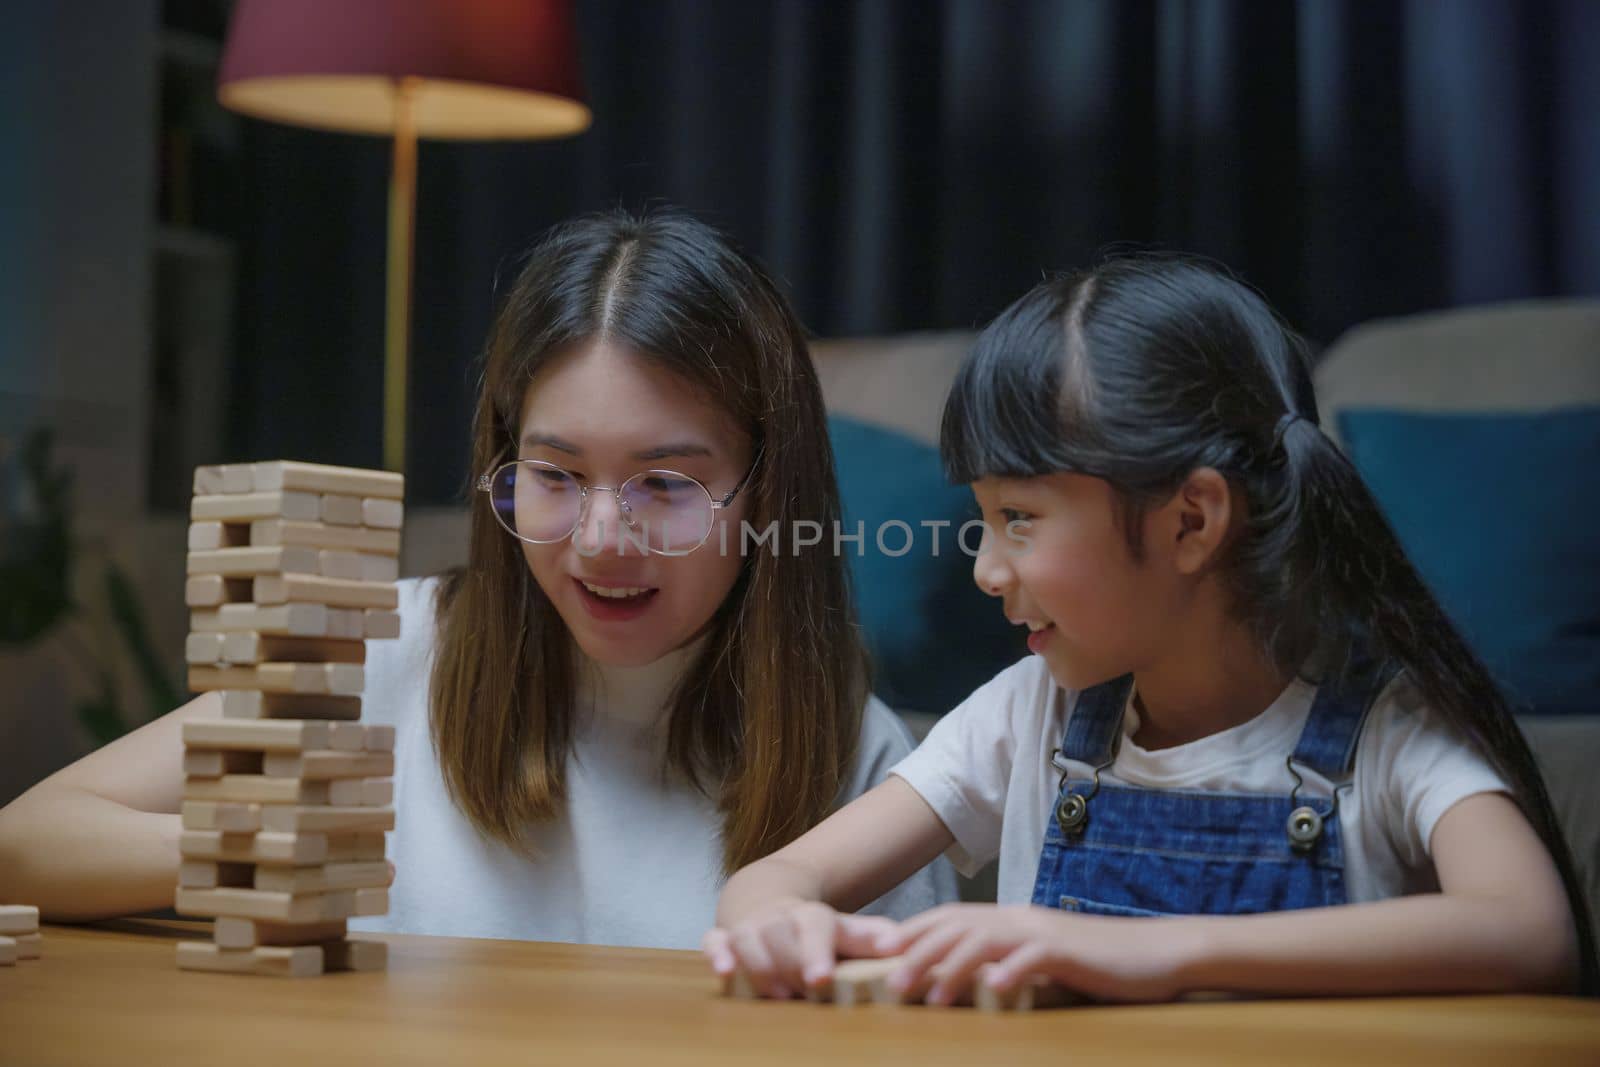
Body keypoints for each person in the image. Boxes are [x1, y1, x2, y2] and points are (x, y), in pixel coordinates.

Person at [0, 209, 956, 948]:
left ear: (765, 488)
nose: (598, 539)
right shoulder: (392, 646)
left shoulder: (855, 754)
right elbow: (27, 841)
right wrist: (263, 852)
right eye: (553, 475)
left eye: (665, 482)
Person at [704, 255, 1594, 1001]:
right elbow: (773, 879)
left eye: (1018, 516)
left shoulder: (1389, 734)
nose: (984, 566)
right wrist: (785, 922)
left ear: (1190, 521)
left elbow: (1529, 927)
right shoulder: (1026, 715)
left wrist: (1162, 952)